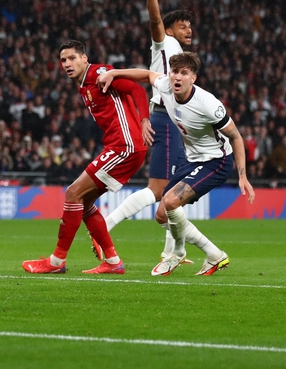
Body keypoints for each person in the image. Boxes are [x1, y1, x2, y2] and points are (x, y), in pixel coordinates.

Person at [97, 52, 255, 276]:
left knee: (171, 202)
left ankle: (178, 253)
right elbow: (148, 75)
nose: (177, 77)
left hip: (217, 161)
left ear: (194, 78)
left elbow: (236, 137)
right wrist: (115, 72)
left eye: (184, 73)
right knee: (161, 214)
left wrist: (242, 176)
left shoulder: (209, 105)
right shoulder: (165, 86)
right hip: (192, 160)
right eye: (174, 72)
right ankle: (213, 254)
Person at [22, 40, 150, 275]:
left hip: (126, 144)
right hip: (120, 144)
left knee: (73, 193)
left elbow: (137, 89)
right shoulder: (83, 84)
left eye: (72, 58)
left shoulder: (98, 74)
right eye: (63, 60)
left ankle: (56, 261)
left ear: (84, 58)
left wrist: (143, 120)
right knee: (83, 202)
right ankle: (112, 262)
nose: (67, 64)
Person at [101, 0, 194, 263]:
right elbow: (154, 21)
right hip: (165, 119)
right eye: (183, 26)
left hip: (179, 123)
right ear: (169, 29)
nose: (189, 30)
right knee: (158, 190)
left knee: (177, 192)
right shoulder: (164, 42)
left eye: (190, 26)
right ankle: (105, 227)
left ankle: (172, 252)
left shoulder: (181, 55)